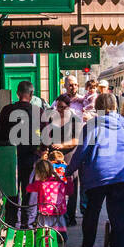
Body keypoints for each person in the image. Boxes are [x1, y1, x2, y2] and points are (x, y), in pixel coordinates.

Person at [65, 92, 124, 247]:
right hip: (122, 172)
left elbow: (82, 151)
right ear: (115, 106)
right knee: (119, 214)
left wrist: (69, 170)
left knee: (92, 213)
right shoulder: (123, 122)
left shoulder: (92, 124)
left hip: (98, 174)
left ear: (97, 107)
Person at [0, 80, 42, 216]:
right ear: (31, 94)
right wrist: (41, 150)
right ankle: (28, 225)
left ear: (18, 93)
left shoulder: (7, 110)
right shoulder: (37, 111)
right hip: (30, 158)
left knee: (12, 194)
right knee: (29, 194)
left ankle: (12, 223)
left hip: (10, 158)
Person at [42, 94, 82, 225]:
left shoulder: (75, 120)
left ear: (68, 106)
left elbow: (76, 140)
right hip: (55, 158)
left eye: (62, 107)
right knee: (54, 186)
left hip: (70, 158)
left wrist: (62, 145)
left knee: (71, 189)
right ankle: (56, 214)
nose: (59, 109)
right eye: (57, 107)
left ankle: (71, 217)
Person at [23, 157, 69, 244]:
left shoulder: (40, 184)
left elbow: (28, 188)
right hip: (58, 212)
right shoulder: (59, 182)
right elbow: (69, 191)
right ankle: (61, 237)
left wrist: (36, 179)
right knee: (57, 226)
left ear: (38, 173)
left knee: (45, 229)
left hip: (45, 213)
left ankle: (46, 245)